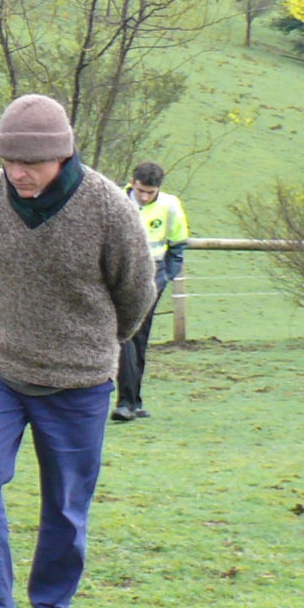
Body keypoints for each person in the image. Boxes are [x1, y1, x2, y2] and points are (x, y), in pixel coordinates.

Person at [0, 94, 156, 608]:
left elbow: (137, 292)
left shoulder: (109, 206)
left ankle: (51, 607)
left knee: (65, 501)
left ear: (61, 156)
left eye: (30, 164)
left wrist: (94, 344)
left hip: (80, 378)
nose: (18, 174)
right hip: (1, 365)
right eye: (9, 162)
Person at [115, 162, 189, 423]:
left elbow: (178, 244)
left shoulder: (169, 206)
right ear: (132, 182)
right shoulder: (115, 200)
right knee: (126, 334)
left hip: (153, 275)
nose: (144, 197)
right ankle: (127, 401)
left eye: (150, 192)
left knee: (138, 337)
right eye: (140, 191)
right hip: (120, 274)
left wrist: (167, 275)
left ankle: (132, 401)